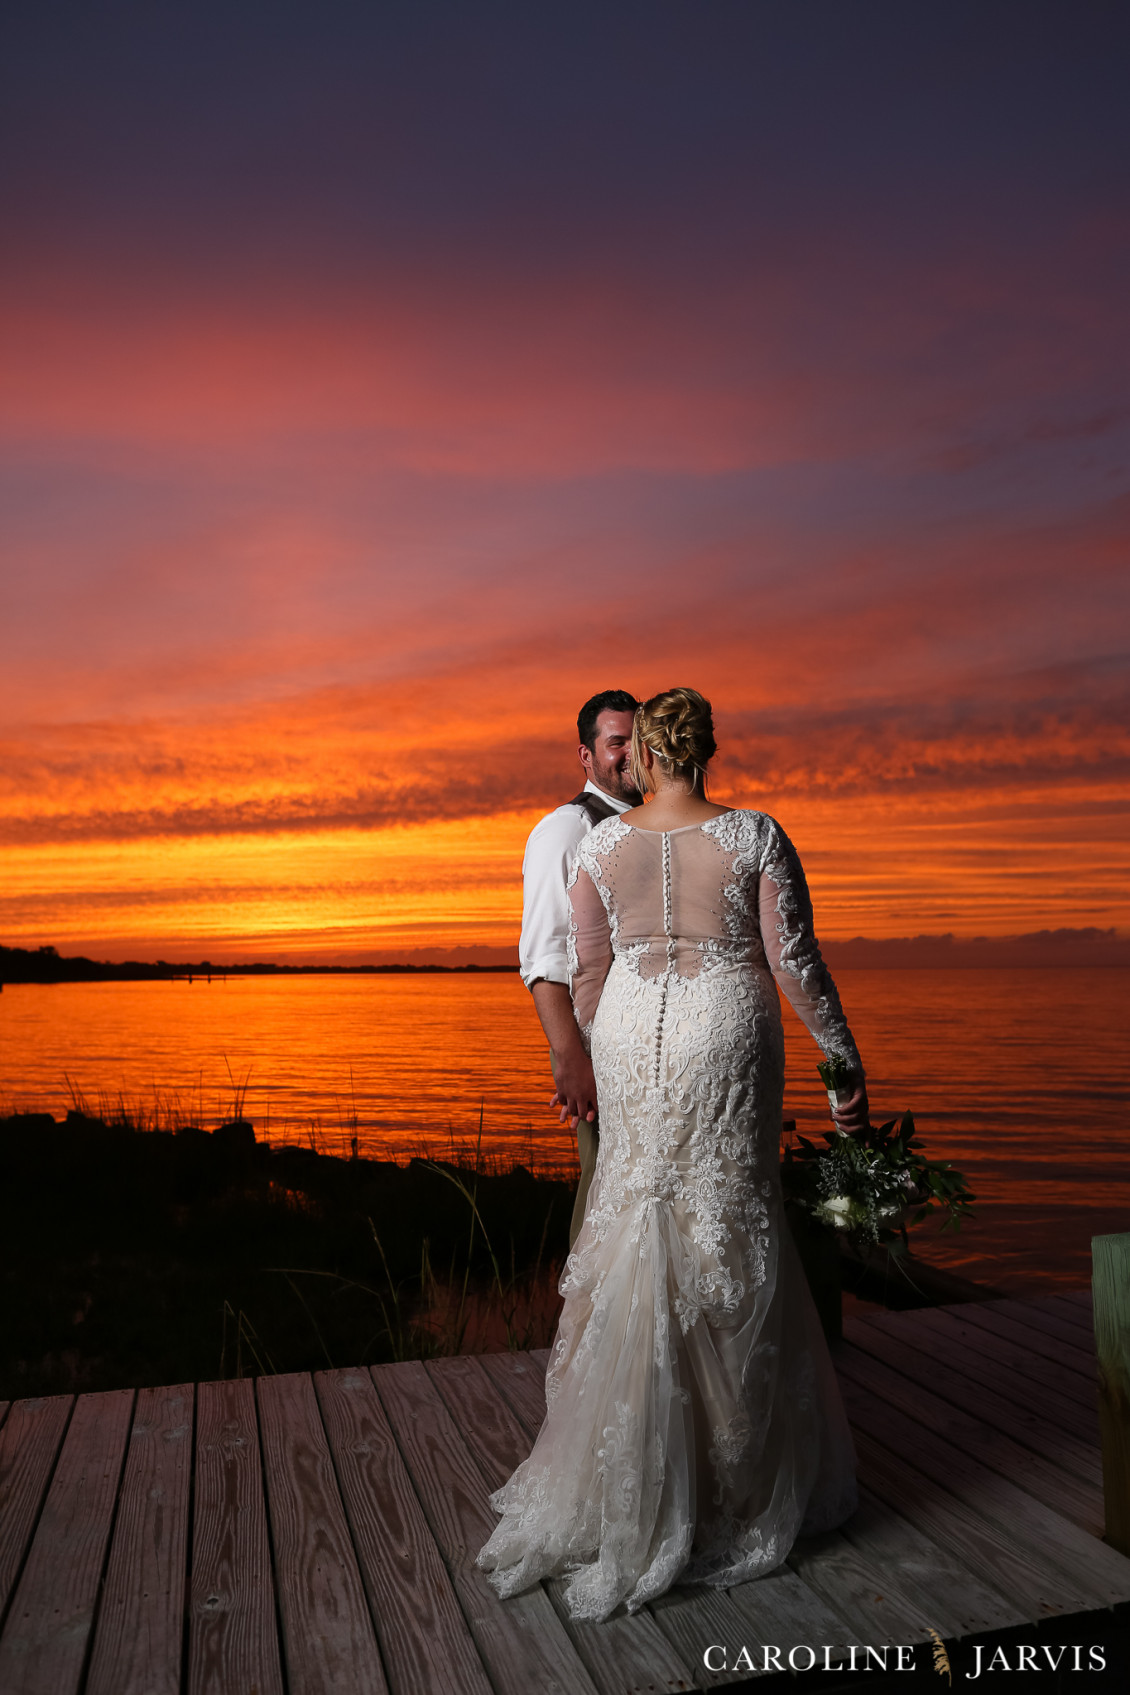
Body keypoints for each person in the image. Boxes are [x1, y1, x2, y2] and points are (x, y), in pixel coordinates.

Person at [479, 687, 865, 1621]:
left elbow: (591, 969)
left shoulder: (600, 847)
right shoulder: (757, 833)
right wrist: (843, 1064)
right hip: (723, 1029)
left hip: (631, 1038)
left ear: (645, 754)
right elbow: (793, 961)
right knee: (728, 1228)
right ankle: (730, 1477)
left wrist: (605, 1061)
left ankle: (635, 1476)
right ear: (709, 751)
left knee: (636, 1219)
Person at [520, 688, 640, 1246]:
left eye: (639, 741)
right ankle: (586, 1329)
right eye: (617, 742)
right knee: (603, 1197)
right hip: (598, 1047)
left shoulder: (646, 826)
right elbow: (544, 956)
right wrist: (569, 1058)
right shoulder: (567, 828)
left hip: (645, 1041)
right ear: (586, 756)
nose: (631, 754)